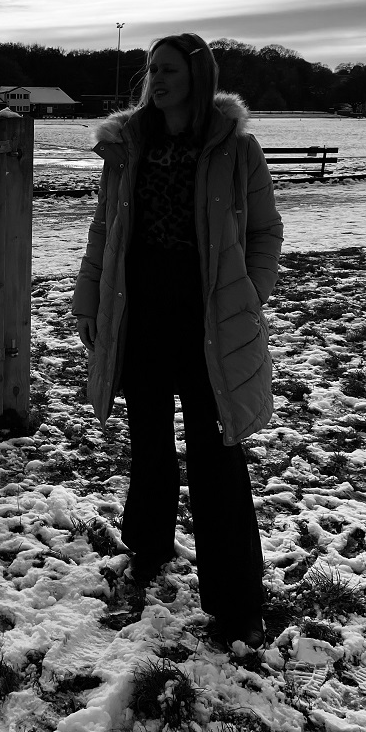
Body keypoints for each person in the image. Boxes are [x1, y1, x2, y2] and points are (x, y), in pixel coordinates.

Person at [72, 33, 283, 648]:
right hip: (137, 307)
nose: (154, 79)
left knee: (217, 447)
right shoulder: (128, 146)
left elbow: (266, 232)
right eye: (150, 70)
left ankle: (236, 598)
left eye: (166, 69)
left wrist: (249, 293)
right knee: (148, 434)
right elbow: (104, 229)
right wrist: (89, 300)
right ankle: (147, 545)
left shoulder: (235, 148)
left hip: (208, 313)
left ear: (198, 75)